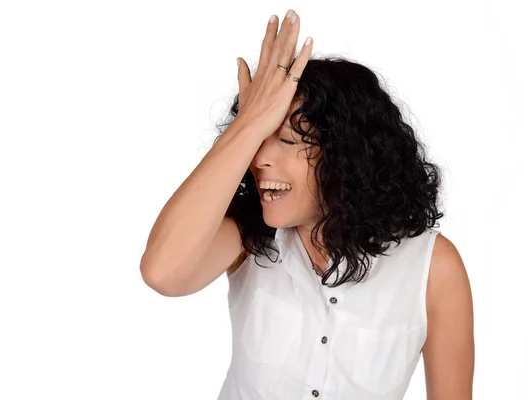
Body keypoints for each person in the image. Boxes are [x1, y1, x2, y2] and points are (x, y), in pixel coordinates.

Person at [140, 9, 474, 400]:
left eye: (285, 139)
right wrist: (247, 124)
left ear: (348, 155)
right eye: (257, 140)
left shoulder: (432, 268)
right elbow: (161, 273)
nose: (259, 159)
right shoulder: (247, 240)